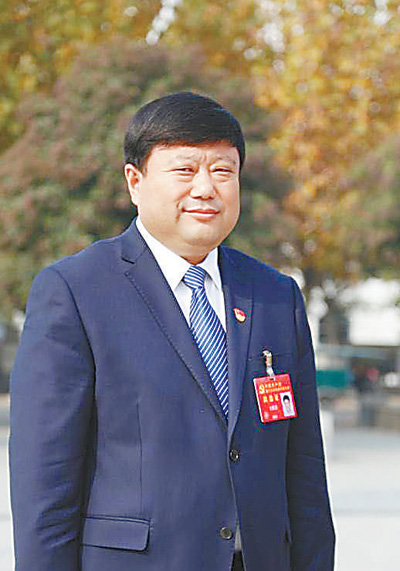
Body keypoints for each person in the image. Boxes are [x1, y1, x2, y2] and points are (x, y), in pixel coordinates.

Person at [9, 92, 335, 571]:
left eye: (222, 170)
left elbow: (304, 469)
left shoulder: (274, 295)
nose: (205, 188)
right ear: (134, 181)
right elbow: (45, 477)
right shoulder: (75, 291)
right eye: (185, 169)